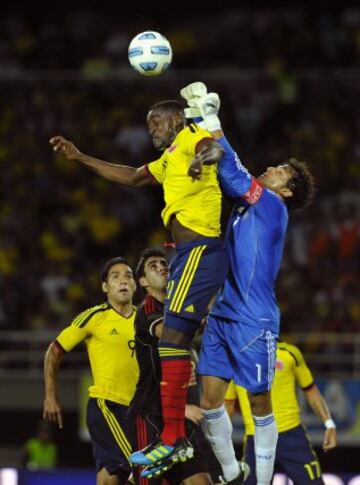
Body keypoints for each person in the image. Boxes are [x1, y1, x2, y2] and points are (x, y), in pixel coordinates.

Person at [49, 100, 229, 471]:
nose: (152, 131)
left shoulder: (193, 135)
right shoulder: (167, 160)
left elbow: (213, 148)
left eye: (157, 123)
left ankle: (177, 438)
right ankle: (177, 437)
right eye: (149, 126)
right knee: (172, 341)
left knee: (173, 340)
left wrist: (201, 160)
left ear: (176, 119)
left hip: (201, 249)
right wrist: (81, 157)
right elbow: (131, 177)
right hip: (184, 254)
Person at [180, 82, 316, 485]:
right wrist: (196, 119)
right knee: (208, 400)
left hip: (255, 318)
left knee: (259, 402)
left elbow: (232, 167)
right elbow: (219, 165)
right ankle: (230, 472)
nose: (271, 168)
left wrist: (212, 119)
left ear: (285, 190)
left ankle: (261, 479)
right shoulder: (247, 205)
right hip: (223, 313)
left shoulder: (272, 207)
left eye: (280, 171)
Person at [43, 257, 139, 485]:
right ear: (105, 287)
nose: (123, 281)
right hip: (108, 406)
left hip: (138, 408)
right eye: (115, 277)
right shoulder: (94, 317)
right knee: (143, 466)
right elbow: (53, 352)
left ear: (136, 285)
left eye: (128, 276)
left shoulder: (146, 319)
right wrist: (50, 396)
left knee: (110, 477)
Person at [128, 247, 217, 484]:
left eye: (163, 262)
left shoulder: (179, 307)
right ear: (143, 281)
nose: (161, 266)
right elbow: (170, 333)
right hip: (152, 415)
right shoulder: (148, 310)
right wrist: (207, 316)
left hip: (180, 417)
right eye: (152, 265)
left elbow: (186, 346)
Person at [225, 341, 337, 484]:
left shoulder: (289, 353)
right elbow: (227, 406)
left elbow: (311, 391)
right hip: (256, 439)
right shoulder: (234, 359)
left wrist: (329, 423)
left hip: (292, 436)